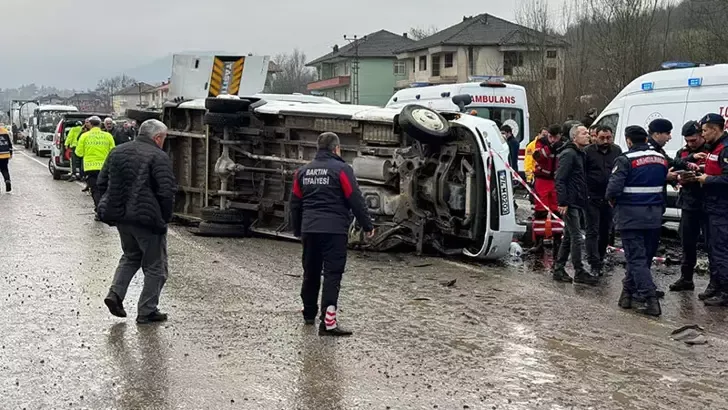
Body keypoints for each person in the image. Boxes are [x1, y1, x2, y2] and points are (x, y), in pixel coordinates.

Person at [289, 132, 374, 336]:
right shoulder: (342, 170)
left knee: (310, 272)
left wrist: (298, 229)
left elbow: (294, 203)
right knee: (332, 274)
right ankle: (328, 323)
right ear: (336, 149)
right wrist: (367, 225)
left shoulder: (302, 172)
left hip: (310, 230)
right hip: (334, 231)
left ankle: (309, 314)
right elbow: (355, 199)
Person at [97, 119, 176, 324]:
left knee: (131, 256)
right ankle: (147, 311)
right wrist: (164, 218)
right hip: (148, 220)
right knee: (155, 266)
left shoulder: (118, 151)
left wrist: (110, 206)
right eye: (164, 138)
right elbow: (166, 191)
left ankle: (115, 294)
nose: (163, 142)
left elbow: (101, 182)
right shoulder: (158, 156)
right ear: (157, 137)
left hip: (122, 217)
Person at [606, 126, 668, 316]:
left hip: (631, 216)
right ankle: (626, 295)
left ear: (629, 141)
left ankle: (650, 300)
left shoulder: (625, 159)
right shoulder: (661, 159)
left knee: (636, 260)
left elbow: (613, 190)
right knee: (644, 259)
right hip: (655, 216)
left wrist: (613, 202)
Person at [553, 125, 599, 285]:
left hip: (578, 200)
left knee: (569, 236)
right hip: (570, 202)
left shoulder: (580, 154)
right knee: (577, 237)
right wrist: (563, 202)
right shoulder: (569, 154)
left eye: (588, 133)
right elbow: (560, 178)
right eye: (584, 133)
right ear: (574, 137)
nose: (588, 135)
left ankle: (558, 268)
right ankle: (579, 271)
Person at [669, 121, 708, 292]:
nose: (691, 144)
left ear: (702, 135)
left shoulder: (710, 149)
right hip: (688, 202)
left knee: (712, 244)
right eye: (688, 141)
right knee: (687, 242)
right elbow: (674, 165)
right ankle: (686, 278)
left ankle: (717, 283)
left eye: (694, 140)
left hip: (708, 204)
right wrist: (678, 178)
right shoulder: (683, 152)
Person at [694, 113, 728, 306]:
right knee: (712, 248)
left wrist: (707, 179)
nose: (703, 134)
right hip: (711, 206)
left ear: (715, 129)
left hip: (722, 207)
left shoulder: (726, 148)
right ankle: (715, 284)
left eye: (705, 130)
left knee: (721, 249)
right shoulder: (714, 148)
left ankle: (725, 291)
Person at [584, 125, 622, 275]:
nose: (606, 141)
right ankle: (594, 263)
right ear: (595, 137)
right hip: (592, 197)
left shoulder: (617, 151)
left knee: (605, 231)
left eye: (608, 138)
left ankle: (600, 256)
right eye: (602, 138)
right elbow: (582, 173)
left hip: (609, 198)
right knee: (592, 230)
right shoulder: (588, 152)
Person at [530, 124, 564, 253]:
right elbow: (537, 157)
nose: (553, 140)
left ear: (560, 136)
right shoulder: (541, 143)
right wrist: (549, 148)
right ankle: (538, 241)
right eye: (551, 137)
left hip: (556, 181)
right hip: (542, 180)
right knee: (540, 211)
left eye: (555, 137)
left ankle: (557, 240)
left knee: (557, 211)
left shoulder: (564, 145)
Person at [75, 116, 115, 216]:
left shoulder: (84, 136)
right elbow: (113, 151)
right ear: (101, 124)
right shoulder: (108, 136)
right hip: (105, 167)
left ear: (90, 125)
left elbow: (78, 153)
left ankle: (98, 210)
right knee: (104, 188)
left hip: (90, 167)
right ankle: (104, 208)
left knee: (94, 189)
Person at [0, 125, 12, 192]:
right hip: (5, 154)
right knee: (5, 169)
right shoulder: (5, 131)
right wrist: (11, 153)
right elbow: (9, 144)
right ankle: (7, 180)